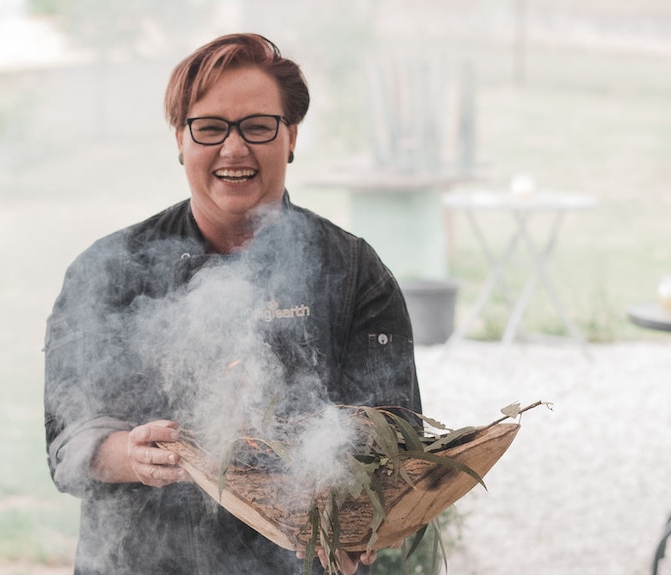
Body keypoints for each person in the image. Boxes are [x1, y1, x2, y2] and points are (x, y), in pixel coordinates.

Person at [43, 33, 422, 575]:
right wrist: (128, 453)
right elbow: (66, 446)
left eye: (258, 126)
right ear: (180, 139)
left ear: (290, 137)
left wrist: (362, 514)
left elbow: (398, 436)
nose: (235, 148)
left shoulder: (353, 271)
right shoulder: (108, 271)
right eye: (210, 127)